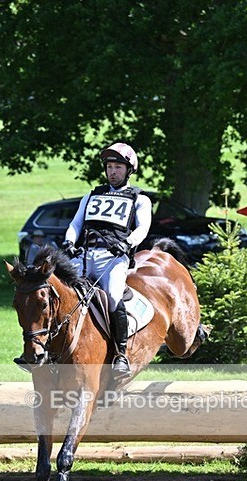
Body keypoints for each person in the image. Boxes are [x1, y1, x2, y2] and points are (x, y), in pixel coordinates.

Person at [61, 142, 152, 380]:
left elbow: (143, 228)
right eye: (110, 167)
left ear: (129, 170)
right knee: (56, 291)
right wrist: (69, 242)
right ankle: (42, 349)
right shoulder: (91, 196)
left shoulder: (140, 199)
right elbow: (76, 224)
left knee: (112, 296)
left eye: (118, 167)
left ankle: (120, 355)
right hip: (84, 256)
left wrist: (128, 243)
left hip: (113, 259)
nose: (113, 171)